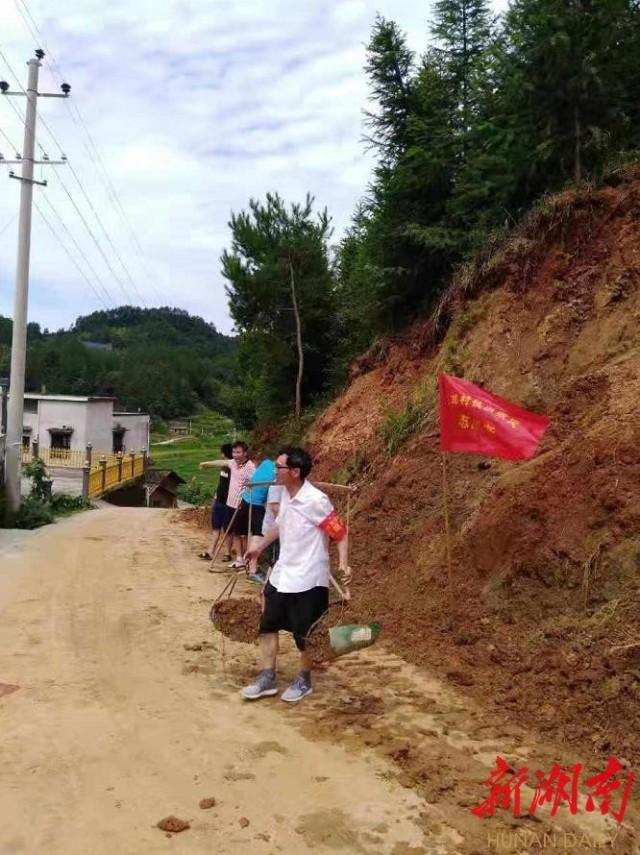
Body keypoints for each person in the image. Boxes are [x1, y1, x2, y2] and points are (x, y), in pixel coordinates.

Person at [242, 446, 351, 704]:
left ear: (294, 471)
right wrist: (258, 548)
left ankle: (304, 678)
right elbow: (280, 527)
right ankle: (267, 676)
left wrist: (344, 564)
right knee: (268, 625)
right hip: (283, 574)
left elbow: (340, 532)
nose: (274, 471)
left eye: (278, 467)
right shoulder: (286, 494)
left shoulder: (316, 500)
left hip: (309, 578)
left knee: (306, 635)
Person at [200, 441, 255, 567]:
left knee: (243, 534)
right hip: (230, 504)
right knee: (234, 532)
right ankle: (239, 558)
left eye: (238, 452)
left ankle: (246, 559)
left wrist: (249, 488)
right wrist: (206, 464)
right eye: (234, 452)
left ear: (245, 453)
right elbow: (221, 463)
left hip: (242, 504)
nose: (235, 455)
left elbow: (257, 482)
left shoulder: (250, 467)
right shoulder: (232, 463)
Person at [231, 456, 276, 578]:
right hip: (255, 504)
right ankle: (252, 569)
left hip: (246, 499)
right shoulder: (277, 474)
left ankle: (244, 561)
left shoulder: (266, 462)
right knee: (257, 534)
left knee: (245, 532)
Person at [198, 443, 233, 563]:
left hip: (229, 502)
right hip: (219, 501)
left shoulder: (233, 465)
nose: (221, 455)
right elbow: (221, 484)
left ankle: (228, 553)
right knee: (216, 527)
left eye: (222, 452)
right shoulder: (224, 468)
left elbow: (220, 462)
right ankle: (210, 552)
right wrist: (215, 497)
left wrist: (205, 464)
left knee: (227, 529)